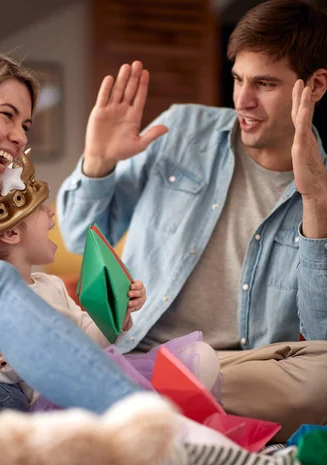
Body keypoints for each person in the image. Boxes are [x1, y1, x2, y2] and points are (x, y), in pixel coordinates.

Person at [57, 0, 327, 440]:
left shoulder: (323, 187)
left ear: (314, 86)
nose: (243, 100)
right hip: (144, 349)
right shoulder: (181, 128)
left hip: (239, 367)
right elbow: (74, 234)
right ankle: (172, 407)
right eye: (238, 79)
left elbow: (319, 335)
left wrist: (315, 201)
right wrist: (98, 161)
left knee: (324, 376)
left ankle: (127, 401)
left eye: (265, 83)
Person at [0, 45, 160, 420]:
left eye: (26, 126)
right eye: (7, 115)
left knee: (4, 400)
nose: (19, 137)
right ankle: (144, 423)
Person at [0, 150, 146, 405]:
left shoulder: (52, 285)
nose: (52, 214)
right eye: (40, 209)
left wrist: (119, 312)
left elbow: (90, 339)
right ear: (11, 234)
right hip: (52, 405)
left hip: (85, 386)